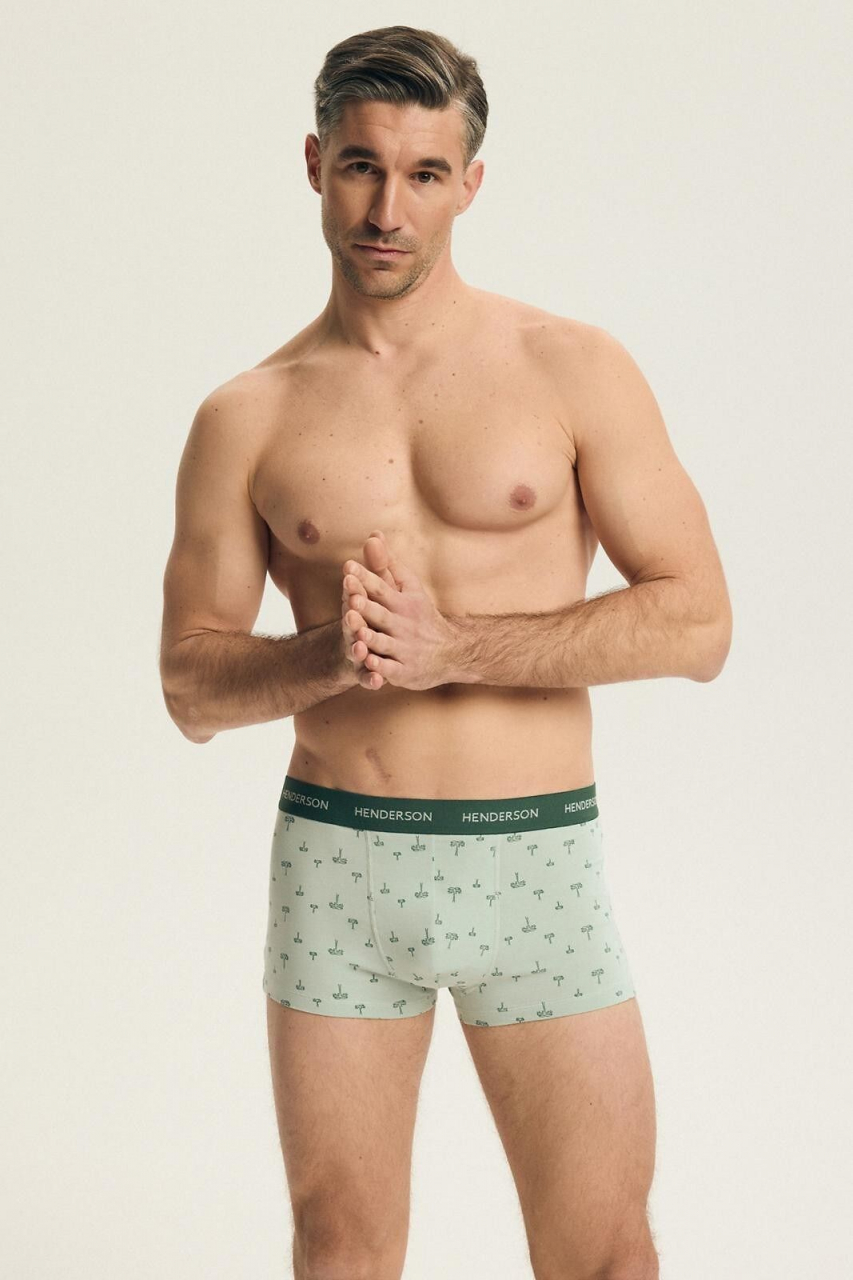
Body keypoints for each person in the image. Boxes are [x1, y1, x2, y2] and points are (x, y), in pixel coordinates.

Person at [159, 23, 731, 1280]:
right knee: (341, 1250)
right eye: (362, 166)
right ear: (314, 164)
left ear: (469, 183)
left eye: (423, 174)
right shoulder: (245, 415)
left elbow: (697, 621)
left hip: (535, 858)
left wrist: (455, 643)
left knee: (603, 1251)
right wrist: (327, 657)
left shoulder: (571, 368)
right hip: (340, 863)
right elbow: (189, 684)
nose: (388, 209)